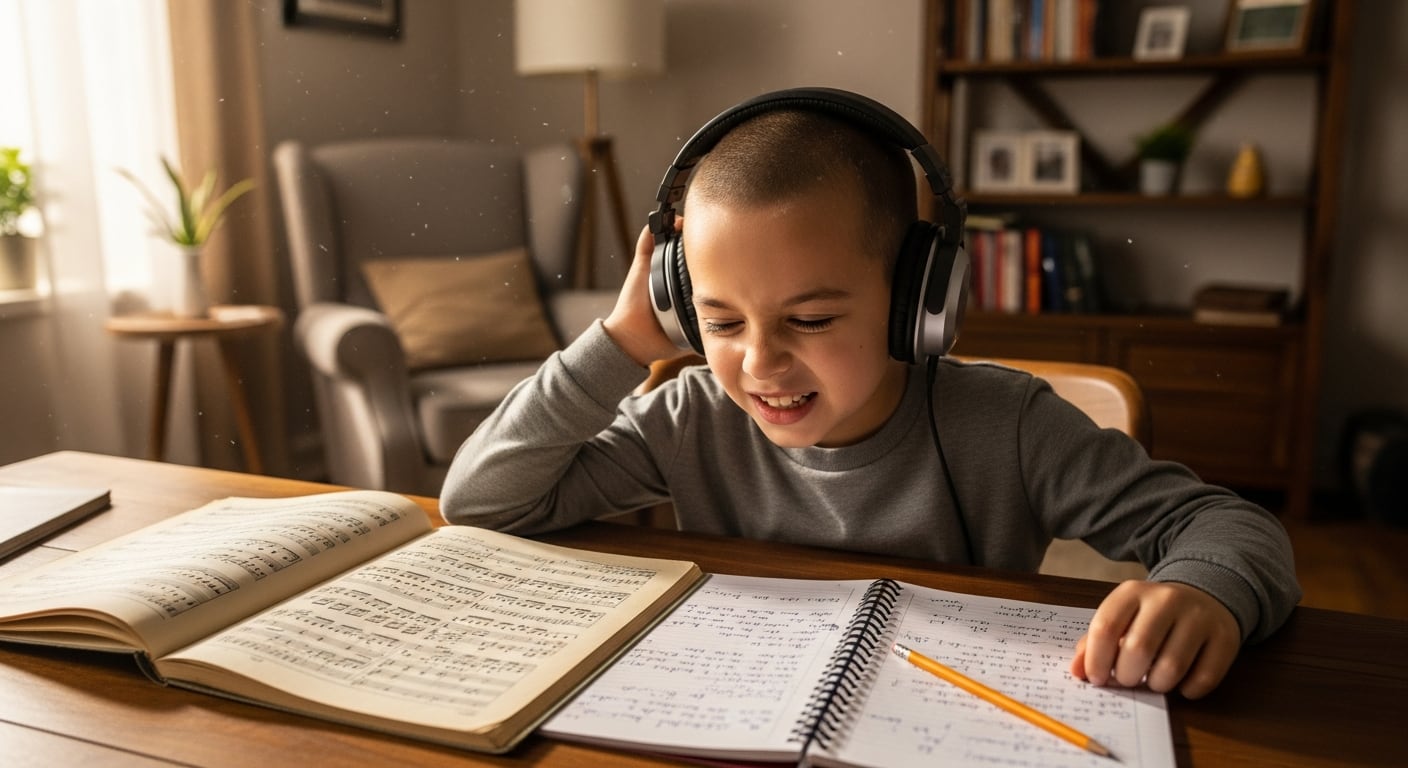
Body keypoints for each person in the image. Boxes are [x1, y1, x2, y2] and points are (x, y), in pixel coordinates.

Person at [441, 88, 1300, 700]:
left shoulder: (1008, 426)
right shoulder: (690, 415)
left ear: (918, 301)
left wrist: (1205, 589)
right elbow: (483, 501)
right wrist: (622, 343)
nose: (760, 363)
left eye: (811, 319)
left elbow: (1227, 525)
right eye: (720, 320)